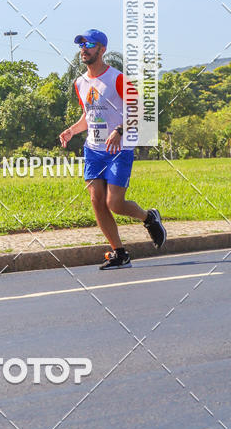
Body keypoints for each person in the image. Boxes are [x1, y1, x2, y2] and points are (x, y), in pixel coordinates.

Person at [59, 28, 166, 270]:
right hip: (93, 150)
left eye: (89, 44)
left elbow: (139, 110)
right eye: (81, 45)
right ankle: (119, 252)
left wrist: (119, 130)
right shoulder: (80, 83)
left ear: (102, 49)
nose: (84, 49)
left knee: (114, 204)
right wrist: (72, 130)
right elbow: (89, 115)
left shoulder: (117, 78)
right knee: (97, 201)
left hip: (119, 149)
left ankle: (149, 217)